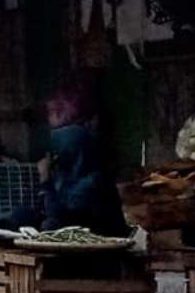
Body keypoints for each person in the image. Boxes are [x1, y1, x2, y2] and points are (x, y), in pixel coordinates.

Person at [34, 81, 126, 234]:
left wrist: (45, 181)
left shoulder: (92, 180)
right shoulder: (65, 171)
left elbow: (61, 219)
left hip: (96, 238)